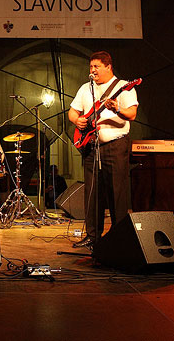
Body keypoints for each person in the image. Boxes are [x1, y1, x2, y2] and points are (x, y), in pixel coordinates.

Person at [68, 50, 138, 251]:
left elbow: (131, 114)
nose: (92, 71)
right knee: (92, 192)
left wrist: (116, 109)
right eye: (91, 67)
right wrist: (77, 120)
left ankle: (119, 237)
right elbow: (73, 111)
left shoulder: (124, 87)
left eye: (96, 66)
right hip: (91, 145)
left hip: (115, 146)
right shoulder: (85, 88)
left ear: (108, 67)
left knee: (117, 192)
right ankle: (92, 236)